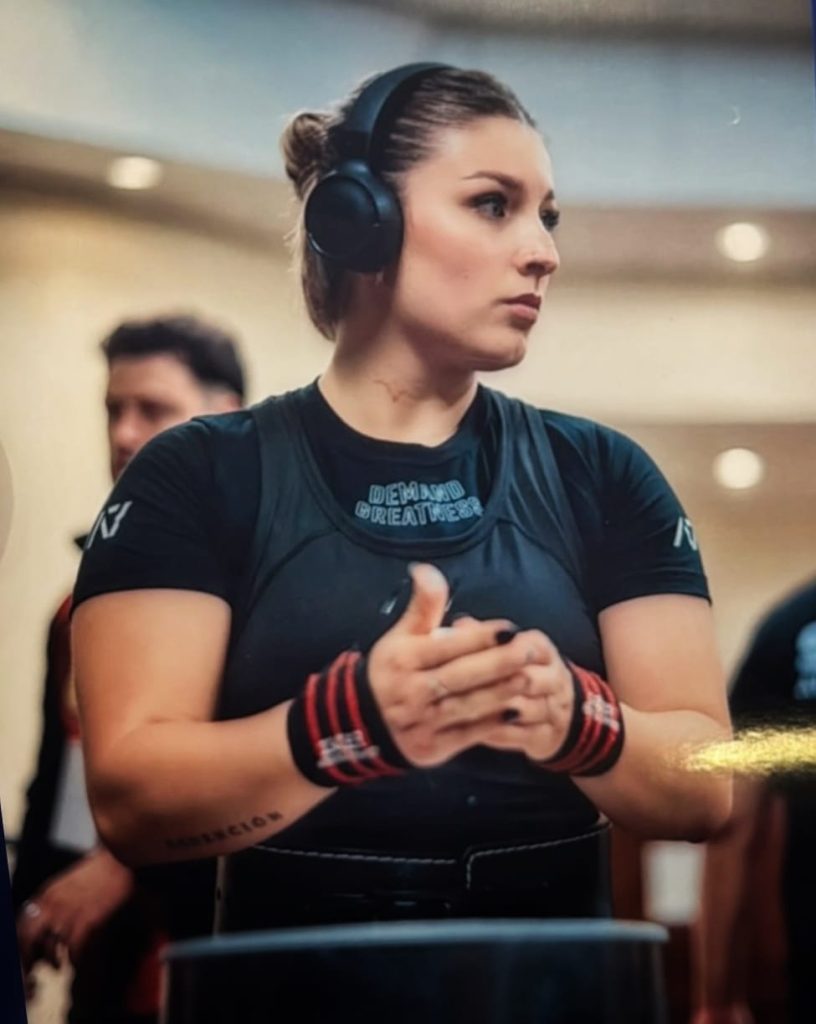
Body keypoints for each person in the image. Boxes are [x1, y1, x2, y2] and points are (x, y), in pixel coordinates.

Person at [71, 63, 732, 939]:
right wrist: (346, 727)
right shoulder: (194, 474)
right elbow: (131, 804)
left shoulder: (604, 473)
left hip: (549, 988)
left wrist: (580, 719)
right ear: (359, 221)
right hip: (289, 986)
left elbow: (707, 791)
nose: (544, 252)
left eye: (546, 215)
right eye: (492, 204)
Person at [12, 314, 245, 1022]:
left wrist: (122, 866)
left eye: (153, 409)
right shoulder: (74, 607)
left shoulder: (265, 588)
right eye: (113, 409)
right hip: (103, 970)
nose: (123, 432)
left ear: (224, 417)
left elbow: (263, 774)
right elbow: (58, 779)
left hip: (216, 956)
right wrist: (24, 912)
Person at [692, 579, 816, 1024]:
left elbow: (734, 822)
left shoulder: (791, 625)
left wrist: (717, 1001)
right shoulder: (791, 629)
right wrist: (718, 999)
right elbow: (735, 817)